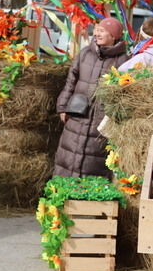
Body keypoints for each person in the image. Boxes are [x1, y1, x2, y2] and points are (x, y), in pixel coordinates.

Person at [54, 17, 129, 178]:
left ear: (113, 36)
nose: (97, 34)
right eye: (97, 30)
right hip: (77, 114)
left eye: (102, 31)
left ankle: (88, 199)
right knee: (68, 155)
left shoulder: (123, 61)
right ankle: (62, 196)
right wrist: (62, 106)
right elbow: (71, 81)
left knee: (93, 161)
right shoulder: (85, 54)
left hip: (100, 120)